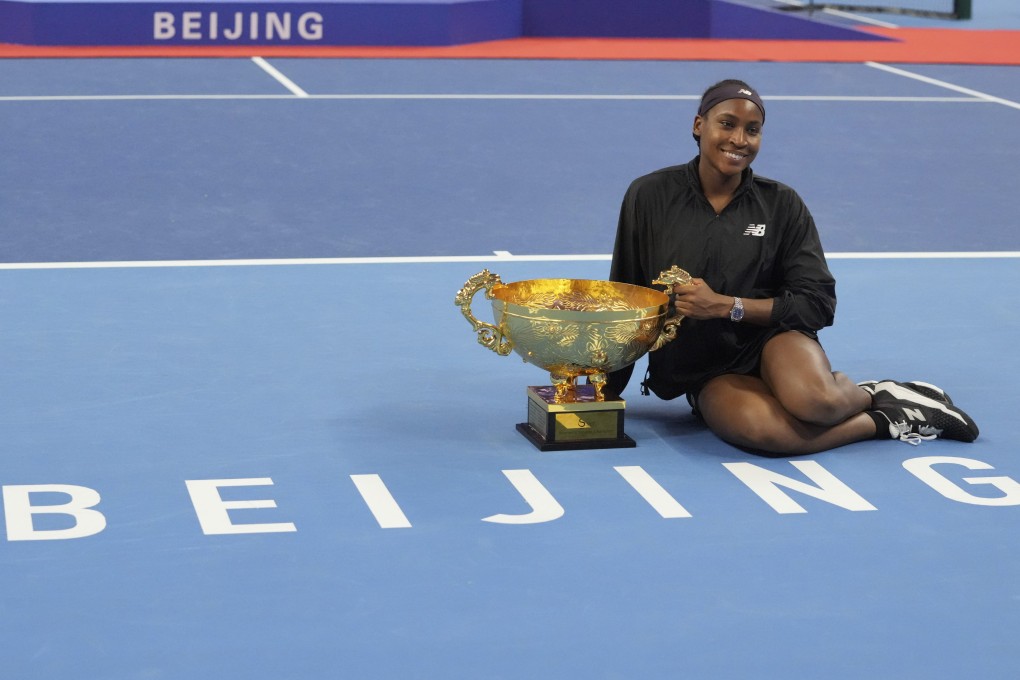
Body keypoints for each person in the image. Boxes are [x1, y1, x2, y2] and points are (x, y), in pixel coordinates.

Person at [606, 78, 979, 456]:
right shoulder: (649, 195)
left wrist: (726, 306)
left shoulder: (782, 204)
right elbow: (625, 297)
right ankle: (889, 417)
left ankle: (872, 392)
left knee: (818, 405)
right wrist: (602, 391)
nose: (739, 139)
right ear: (698, 125)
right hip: (706, 370)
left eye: (753, 130)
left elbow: (817, 304)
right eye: (727, 123)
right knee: (769, 434)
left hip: (773, 338)